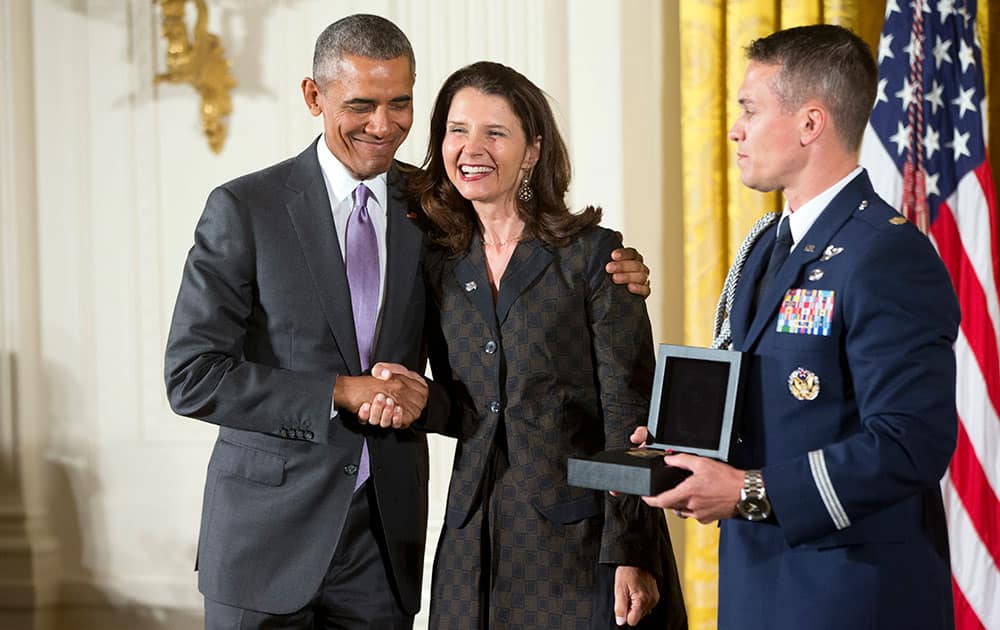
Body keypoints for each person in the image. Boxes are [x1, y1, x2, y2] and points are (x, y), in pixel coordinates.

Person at [164, 14, 652, 630]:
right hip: (266, 541)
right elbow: (193, 376)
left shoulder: (435, 210)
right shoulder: (244, 209)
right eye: (361, 104)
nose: (383, 124)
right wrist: (342, 391)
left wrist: (616, 269)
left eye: (400, 104)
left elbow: (515, 308)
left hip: (385, 547)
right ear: (314, 97)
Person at [636, 24, 960, 630]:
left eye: (751, 111)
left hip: (851, 591)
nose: (735, 129)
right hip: (759, 580)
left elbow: (911, 442)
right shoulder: (769, 243)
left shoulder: (887, 255)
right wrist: (677, 444)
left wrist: (748, 491)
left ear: (811, 124)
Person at [392, 61, 687, 630]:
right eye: (457, 129)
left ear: (532, 151)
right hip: (469, 539)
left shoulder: (594, 257)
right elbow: (465, 405)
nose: (471, 148)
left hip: (579, 537)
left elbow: (631, 415)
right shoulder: (437, 260)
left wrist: (630, 548)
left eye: (494, 132)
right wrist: (418, 399)